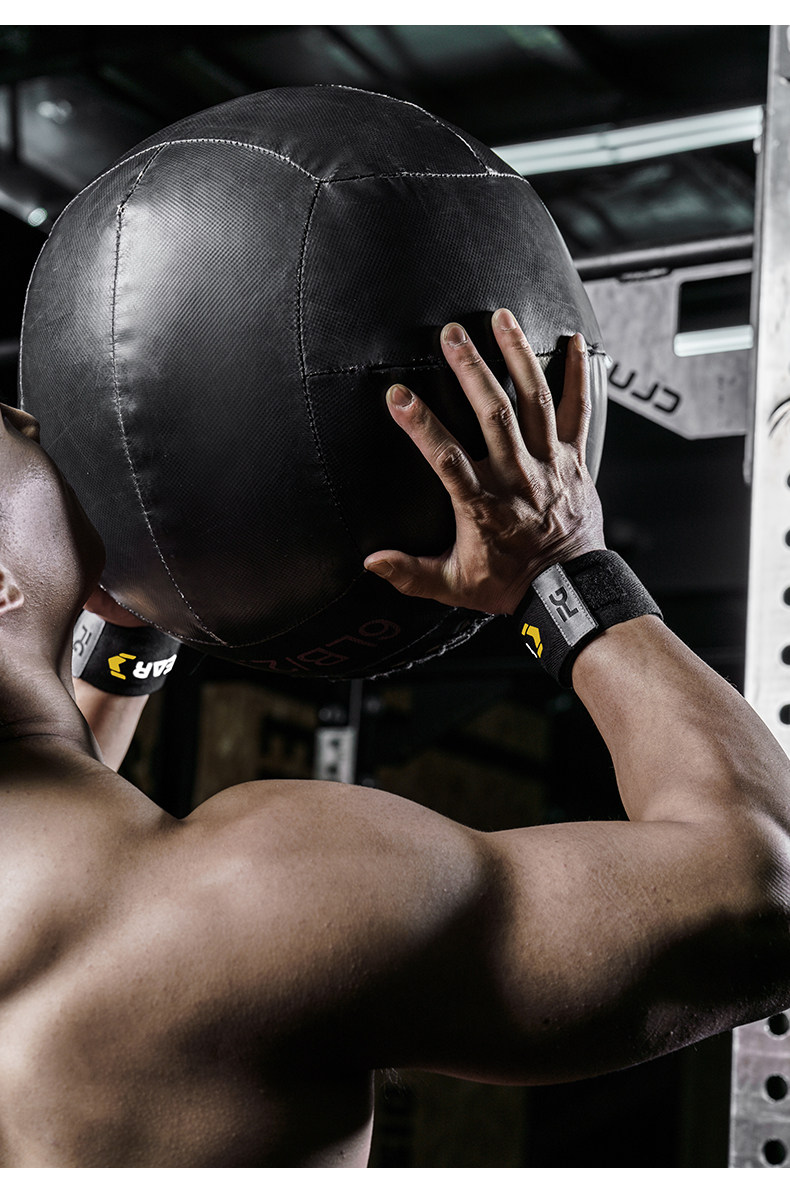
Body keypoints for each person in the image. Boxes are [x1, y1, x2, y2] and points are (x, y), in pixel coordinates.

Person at [0, 309, 788, 1169]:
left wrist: (141, 630)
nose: (22, 417)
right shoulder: (253, 895)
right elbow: (764, 890)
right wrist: (558, 566)